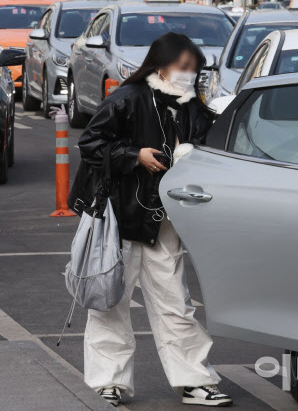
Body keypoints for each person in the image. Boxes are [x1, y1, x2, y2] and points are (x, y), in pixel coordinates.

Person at [68, 32, 231, 407]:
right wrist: (133, 154)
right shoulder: (127, 100)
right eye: (184, 67)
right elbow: (91, 144)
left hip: (165, 222)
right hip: (119, 219)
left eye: (195, 69)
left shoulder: (191, 106)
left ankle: (195, 380)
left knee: (176, 304)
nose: (190, 75)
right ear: (161, 65)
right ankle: (108, 383)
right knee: (110, 303)